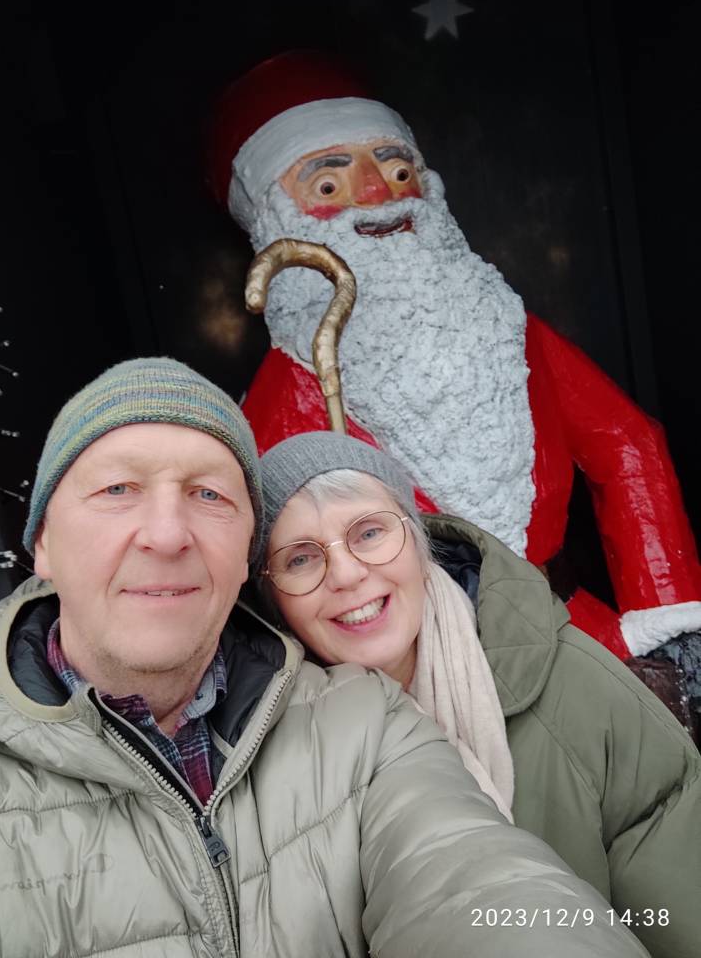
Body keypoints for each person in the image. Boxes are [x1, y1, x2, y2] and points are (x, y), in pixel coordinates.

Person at [0, 358, 650, 957]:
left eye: (207, 494)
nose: (166, 534)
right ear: (42, 542)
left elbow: (476, 881)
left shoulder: (362, 722)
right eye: (117, 490)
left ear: (240, 556)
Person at [207, 49, 701, 665]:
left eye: (397, 171)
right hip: (421, 666)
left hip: (577, 638)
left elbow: (626, 442)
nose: (377, 194)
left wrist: (667, 615)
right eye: (329, 185)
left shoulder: (503, 328)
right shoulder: (287, 395)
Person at [258, 430, 701, 958]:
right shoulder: (260, 762)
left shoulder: (573, 684)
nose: (348, 574)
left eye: (370, 532)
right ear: (272, 599)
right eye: (301, 559)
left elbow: (673, 907)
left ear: (418, 542)